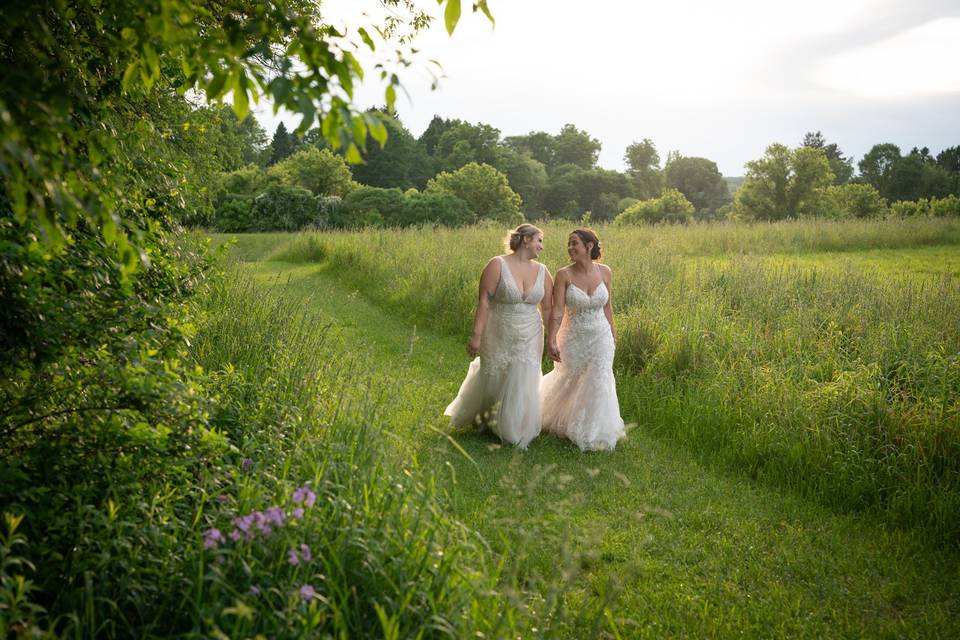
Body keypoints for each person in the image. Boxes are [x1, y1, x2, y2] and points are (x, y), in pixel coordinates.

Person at [444, 224, 553, 449]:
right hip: (499, 328)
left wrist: (553, 338)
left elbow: (549, 309)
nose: (542, 246)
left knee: (524, 375)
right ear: (525, 240)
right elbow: (484, 301)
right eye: (539, 240)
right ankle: (488, 417)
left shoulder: (543, 271)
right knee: (496, 374)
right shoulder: (497, 264)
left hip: (531, 331)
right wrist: (476, 335)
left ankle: (515, 429)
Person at [541, 228, 625, 451]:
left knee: (599, 377)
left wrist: (613, 334)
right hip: (573, 335)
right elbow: (558, 311)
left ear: (589, 246)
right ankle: (562, 418)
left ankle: (594, 430)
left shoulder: (605, 272)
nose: (570, 248)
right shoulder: (563, 275)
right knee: (571, 378)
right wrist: (551, 340)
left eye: (574, 243)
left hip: (601, 335)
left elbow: (607, 306)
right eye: (569, 244)